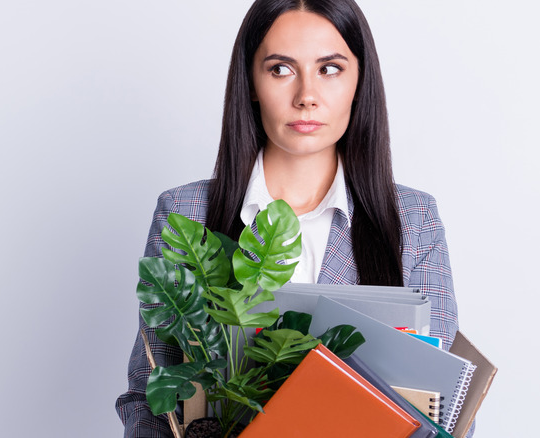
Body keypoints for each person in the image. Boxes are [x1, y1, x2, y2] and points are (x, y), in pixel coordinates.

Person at [116, 0, 463, 436]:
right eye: (280, 69)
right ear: (251, 82)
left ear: (360, 81)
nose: (306, 96)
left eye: (330, 68)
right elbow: (150, 396)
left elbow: (446, 408)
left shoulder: (414, 220)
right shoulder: (187, 214)